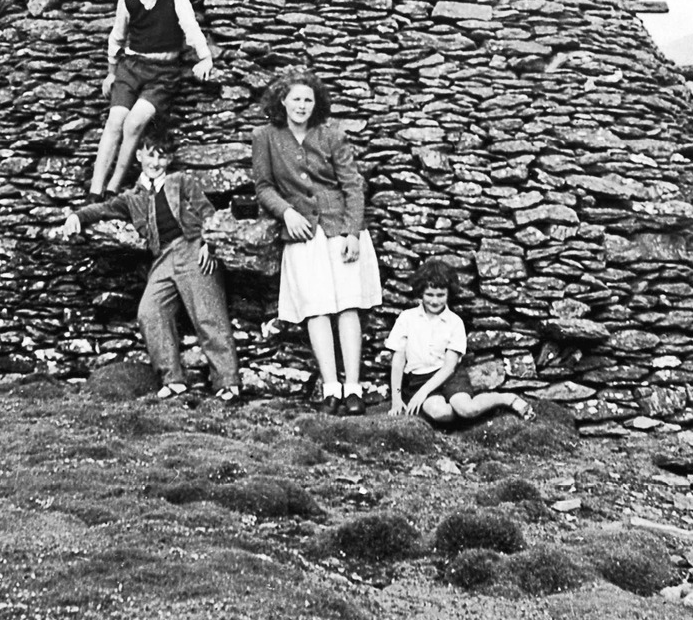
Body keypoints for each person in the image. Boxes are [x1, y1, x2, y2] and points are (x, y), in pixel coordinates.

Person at [61, 123, 241, 403]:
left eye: (162, 156)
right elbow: (104, 209)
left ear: (169, 160)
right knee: (150, 311)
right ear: (139, 157)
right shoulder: (132, 197)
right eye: (151, 155)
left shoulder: (181, 181)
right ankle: (173, 380)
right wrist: (78, 216)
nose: (156, 162)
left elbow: (208, 212)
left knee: (208, 314)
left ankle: (228, 382)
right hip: (162, 258)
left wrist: (209, 243)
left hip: (192, 248)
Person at [251, 69, 381, 415]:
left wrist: (352, 233)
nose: (302, 105)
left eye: (308, 99)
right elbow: (263, 186)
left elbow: (353, 186)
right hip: (302, 232)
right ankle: (331, 389)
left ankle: (353, 389)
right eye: (296, 98)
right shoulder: (265, 136)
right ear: (282, 100)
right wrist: (286, 213)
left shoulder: (331, 135)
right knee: (316, 309)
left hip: (338, 229)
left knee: (347, 307)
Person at [89, 0, 215, 198]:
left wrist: (205, 57)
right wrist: (112, 72)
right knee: (115, 121)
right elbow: (117, 37)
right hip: (131, 67)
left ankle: (114, 185)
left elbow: (189, 24)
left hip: (162, 72)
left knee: (134, 123)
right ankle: (95, 189)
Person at [386, 259, 532, 424]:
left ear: (449, 294)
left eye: (440, 295)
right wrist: (396, 399)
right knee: (441, 413)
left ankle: (506, 399)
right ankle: (460, 414)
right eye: (429, 295)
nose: (434, 301)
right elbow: (398, 360)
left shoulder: (454, 322)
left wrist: (422, 393)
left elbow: (449, 367)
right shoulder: (407, 318)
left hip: (451, 377)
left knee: (468, 408)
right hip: (420, 379)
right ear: (421, 293)